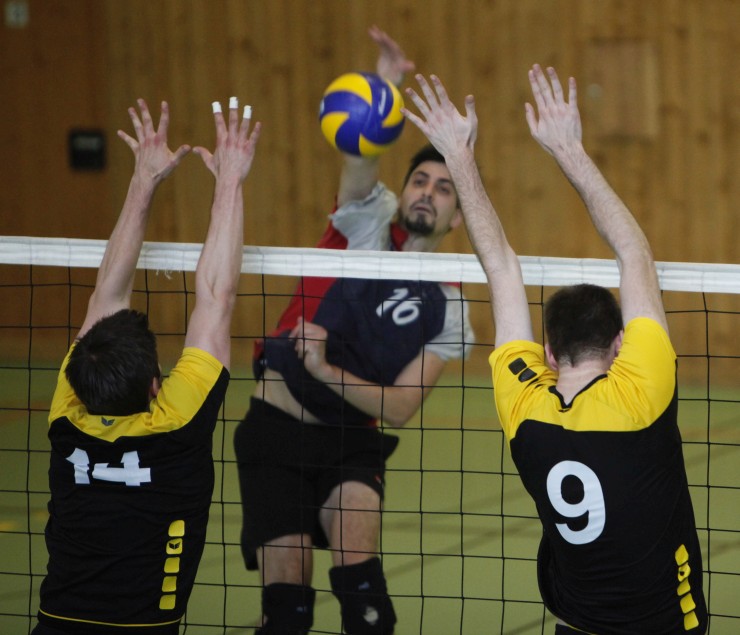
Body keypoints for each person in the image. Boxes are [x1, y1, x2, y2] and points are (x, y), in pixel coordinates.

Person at [402, 67, 707, 634]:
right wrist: (569, 149)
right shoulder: (640, 396)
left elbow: (500, 267)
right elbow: (634, 251)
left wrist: (459, 157)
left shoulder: (526, 408)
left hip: (574, 625)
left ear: (546, 350)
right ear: (620, 344)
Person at [234, 26, 474, 635]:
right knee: (287, 612)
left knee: (367, 606)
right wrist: (380, 93)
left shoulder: (450, 305)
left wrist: (327, 370)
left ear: (458, 215)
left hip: (351, 443)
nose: (427, 193)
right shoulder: (365, 220)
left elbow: (401, 407)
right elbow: (360, 156)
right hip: (277, 428)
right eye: (420, 181)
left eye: (444, 188)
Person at [33, 97, 261, 634]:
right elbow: (216, 295)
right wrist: (230, 179)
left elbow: (104, 297)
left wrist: (143, 179)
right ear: (157, 387)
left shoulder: (68, 419)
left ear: (78, 379)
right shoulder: (176, 425)